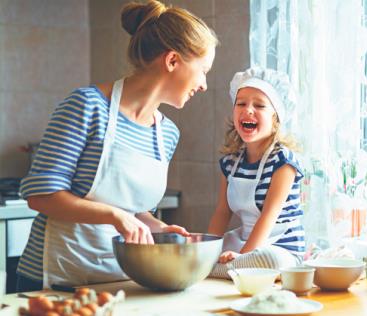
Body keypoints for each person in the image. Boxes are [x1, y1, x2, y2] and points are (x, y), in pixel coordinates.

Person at [16, 0, 218, 291]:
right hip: (56, 280)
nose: (204, 84)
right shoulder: (87, 106)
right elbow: (41, 196)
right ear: (172, 60)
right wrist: (115, 216)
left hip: (123, 281)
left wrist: (157, 227)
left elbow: (134, 211)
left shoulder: (167, 134)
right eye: (203, 70)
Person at [208, 67, 305, 278]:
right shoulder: (231, 163)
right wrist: (205, 250)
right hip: (245, 241)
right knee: (204, 250)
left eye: (259, 105)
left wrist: (242, 257)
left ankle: (218, 271)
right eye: (241, 104)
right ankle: (220, 268)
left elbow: (269, 216)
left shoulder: (283, 162)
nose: (248, 110)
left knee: (267, 261)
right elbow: (222, 212)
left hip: (281, 249)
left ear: (276, 119)